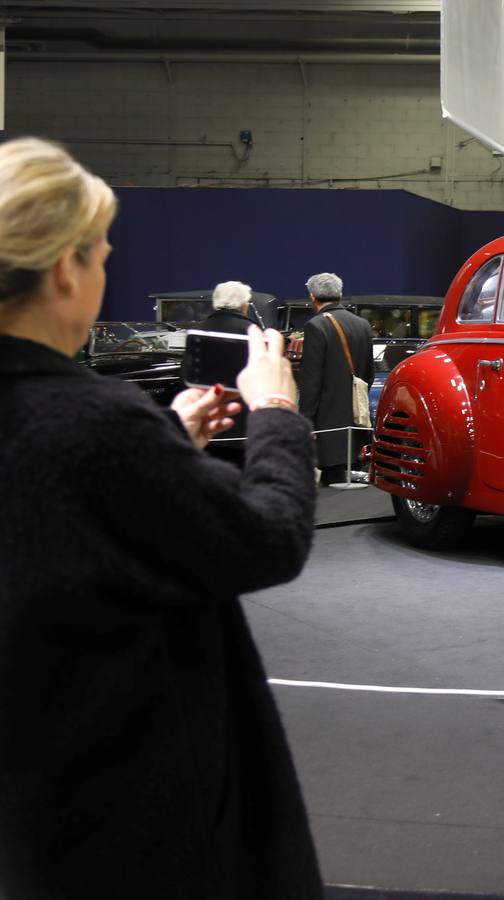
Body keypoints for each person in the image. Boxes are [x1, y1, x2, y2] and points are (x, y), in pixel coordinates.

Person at [0, 138, 323, 899]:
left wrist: (169, 440)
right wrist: (277, 411)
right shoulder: (95, 427)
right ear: (65, 268)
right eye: (102, 256)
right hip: (129, 816)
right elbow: (268, 536)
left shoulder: (76, 429)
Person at [298, 272, 374, 485]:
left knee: (332, 490)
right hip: (357, 424)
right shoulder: (363, 325)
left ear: (312, 296)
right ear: (340, 294)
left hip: (329, 430)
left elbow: (311, 381)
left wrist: (305, 422)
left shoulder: (316, 326)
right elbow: (369, 373)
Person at [200, 280, 258, 465]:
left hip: (208, 420)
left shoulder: (199, 330)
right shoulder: (251, 332)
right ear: (243, 305)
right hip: (243, 422)